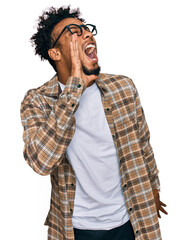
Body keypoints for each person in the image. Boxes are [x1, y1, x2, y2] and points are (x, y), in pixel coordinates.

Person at [20, 6, 168, 240]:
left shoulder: (123, 87)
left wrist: (153, 187)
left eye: (86, 30)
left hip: (132, 220)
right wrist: (73, 91)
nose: (87, 34)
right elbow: (41, 162)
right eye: (73, 31)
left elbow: (143, 143)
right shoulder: (37, 101)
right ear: (55, 53)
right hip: (76, 229)